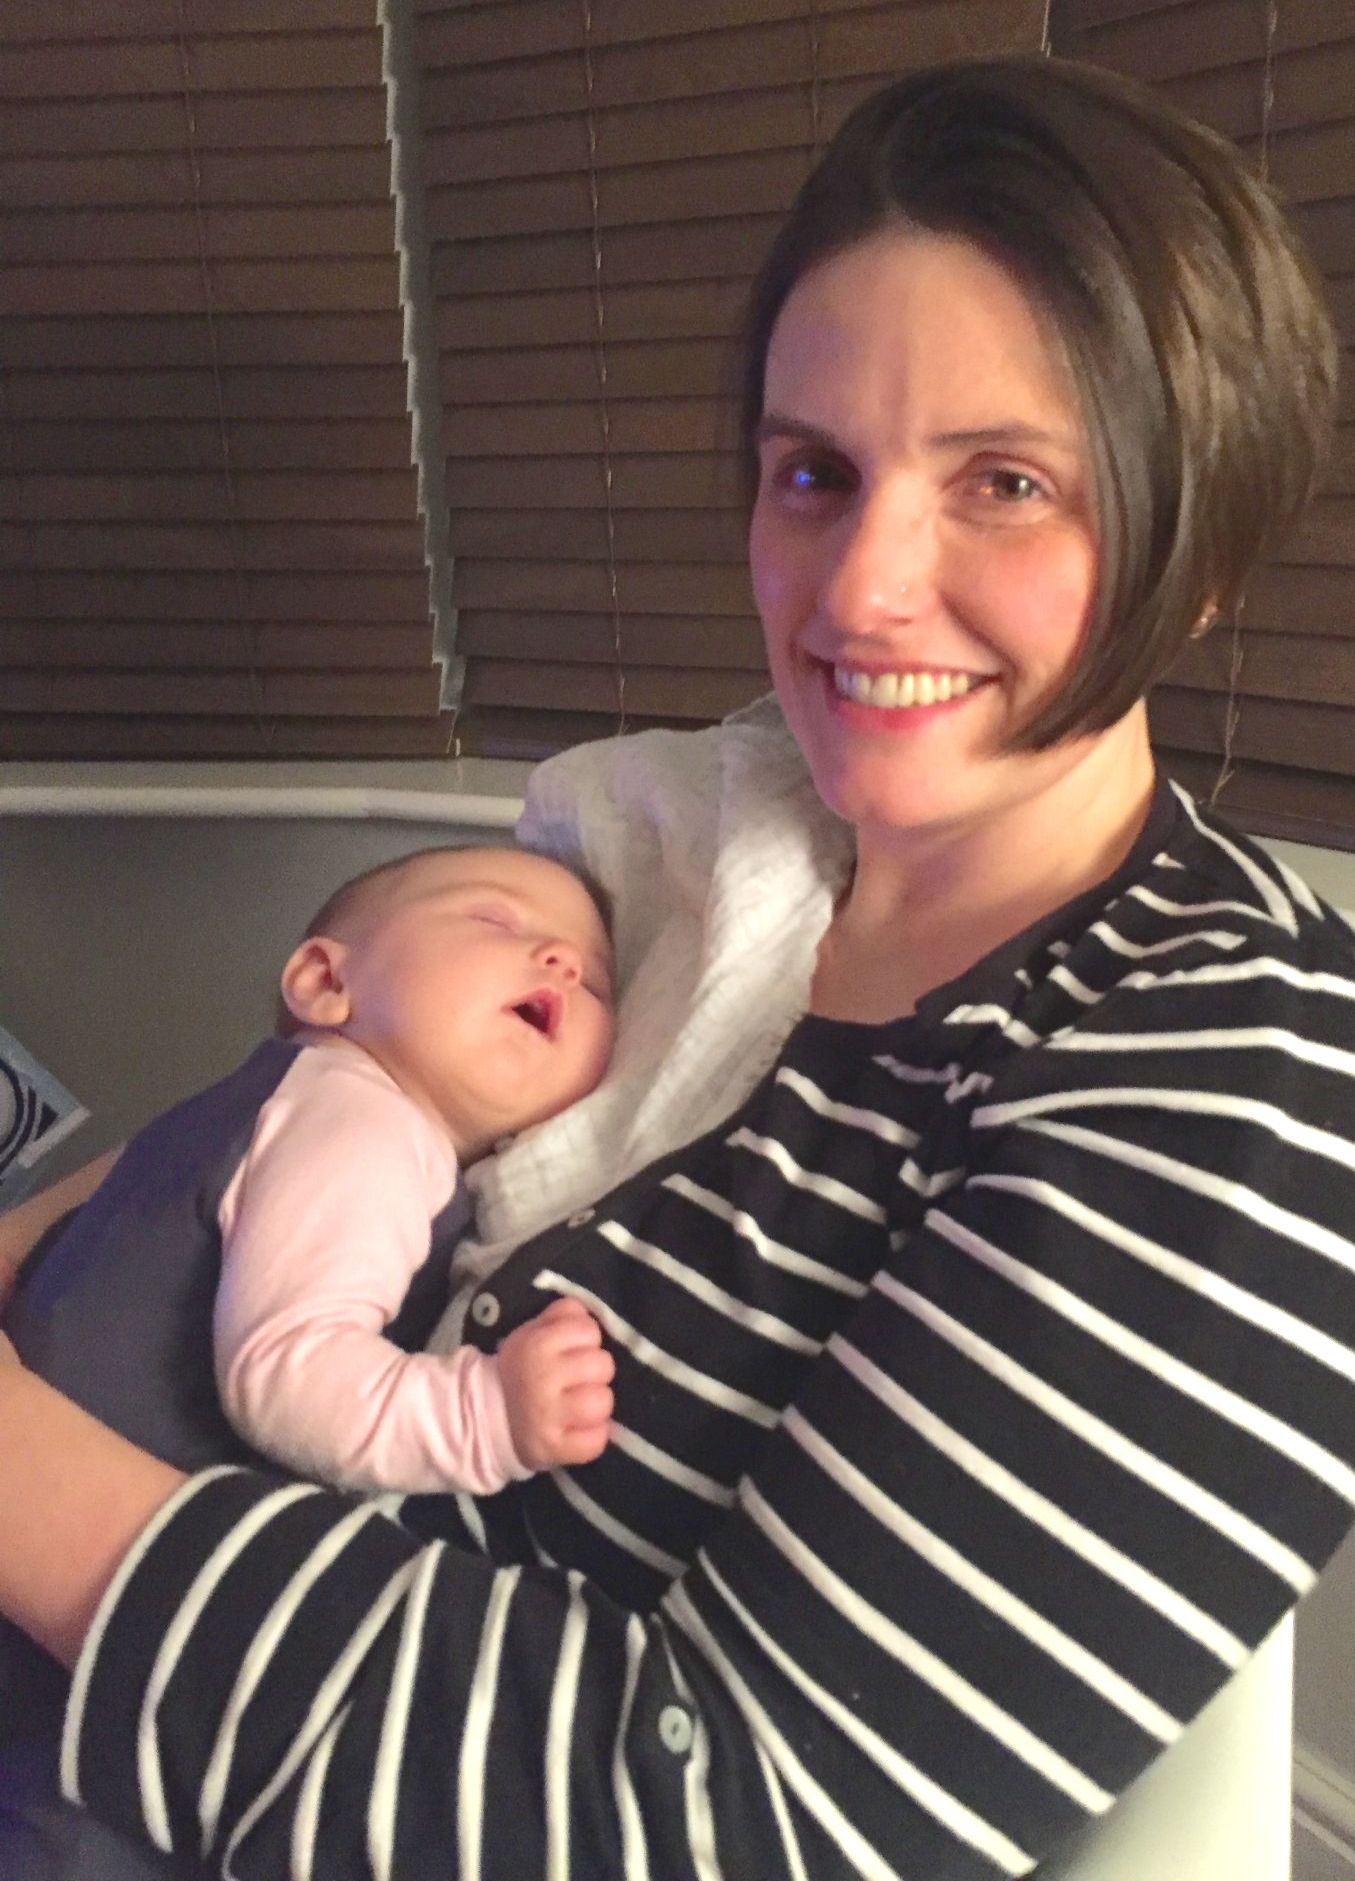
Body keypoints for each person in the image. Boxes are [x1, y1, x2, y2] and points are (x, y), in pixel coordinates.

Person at [1, 52, 1354, 1881]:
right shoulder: (704, 834)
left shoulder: (1241, 1073)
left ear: (1198, 554)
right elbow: (346, 1087)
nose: (857, 591)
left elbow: (719, 1817)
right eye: (813, 473)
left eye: (1006, 482)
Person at [0, 842, 614, 1880]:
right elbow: (287, 1370)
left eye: (594, 979)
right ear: (326, 981)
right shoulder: (370, 1124)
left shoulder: (269, 1099)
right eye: (497, 921)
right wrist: (484, 1417)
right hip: (91, 1645)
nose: (559, 961)